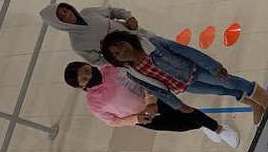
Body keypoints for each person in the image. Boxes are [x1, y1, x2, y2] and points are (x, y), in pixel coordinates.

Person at [100, 31, 268, 124]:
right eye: (116, 54)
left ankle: (265, 98)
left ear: (127, 40)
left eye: (120, 46)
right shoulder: (132, 72)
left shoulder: (152, 43)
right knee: (222, 91)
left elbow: (185, 51)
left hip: (195, 70)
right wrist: (178, 105)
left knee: (229, 81)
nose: (122, 52)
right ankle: (255, 105)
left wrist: (213, 67)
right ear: (116, 60)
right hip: (185, 85)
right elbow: (157, 90)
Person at [64, 61, 239, 147]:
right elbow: (112, 121)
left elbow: (142, 80)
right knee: (178, 126)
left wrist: (150, 102)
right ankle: (203, 126)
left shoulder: (111, 68)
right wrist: (136, 119)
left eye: (87, 70)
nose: (89, 75)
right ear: (81, 86)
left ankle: (219, 129)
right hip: (145, 118)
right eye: (85, 78)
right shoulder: (94, 102)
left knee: (188, 112)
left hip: (157, 97)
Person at [40, 0, 146, 63]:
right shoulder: (78, 44)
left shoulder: (89, 12)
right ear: (59, 24)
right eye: (62, 17)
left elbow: (112, 11)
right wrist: (119, 60)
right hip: (132, 59)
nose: (67, 15)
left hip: (142, 37)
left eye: (65, 11)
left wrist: (129, 17)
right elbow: (98, 61)